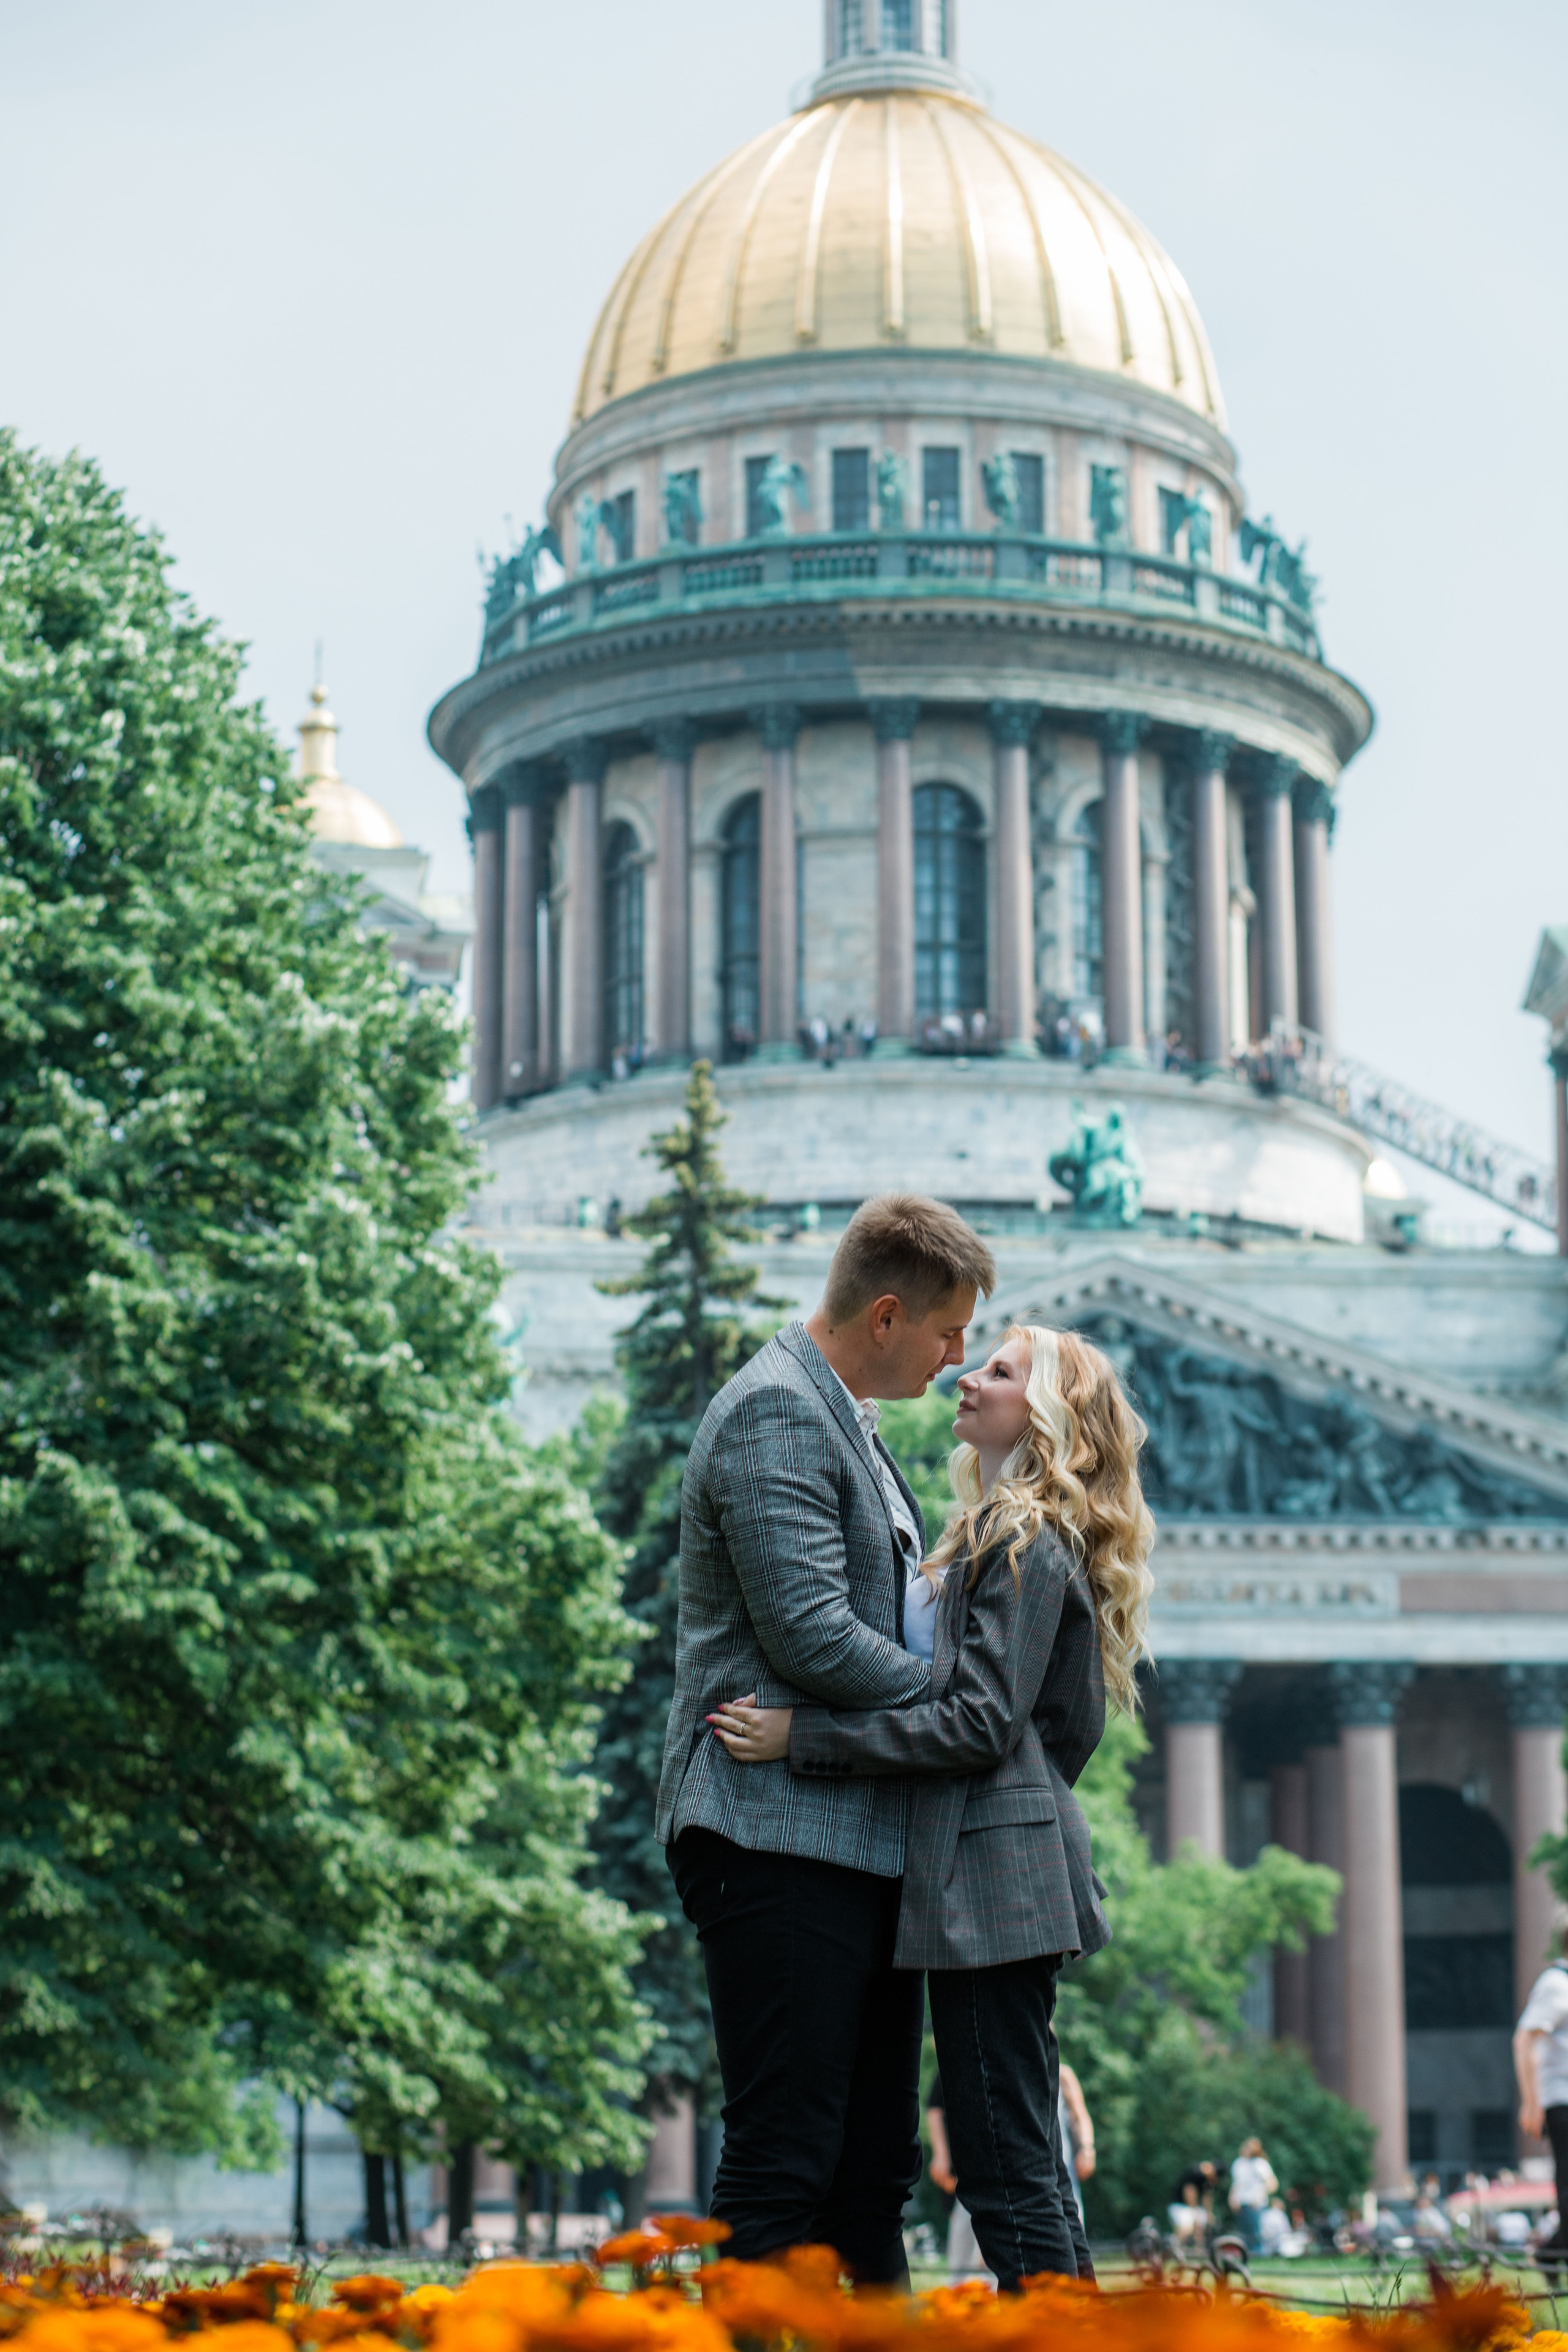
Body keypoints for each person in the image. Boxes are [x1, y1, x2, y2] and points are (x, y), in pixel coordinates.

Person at [712, 1323, 1155, 2290]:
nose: (966, 1374)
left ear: (1049, 1419)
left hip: (994, 1882)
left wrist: (808, 1739)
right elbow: (1050, 1729)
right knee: (1015, 2163)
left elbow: (990, 1724)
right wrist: (1017, 1786)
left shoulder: (1024, 1537)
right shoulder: (991, 1530)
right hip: (989, 1871)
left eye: (999, 1371)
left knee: (1005, 2168)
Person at [658, 1194, 997, 2283]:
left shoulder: (838, 1413)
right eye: (950, 1333)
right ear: (887, 1315)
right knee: (786, 2159)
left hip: (849, 1841)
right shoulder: (778, 1413)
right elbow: (811, 1635)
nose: (959, 1358)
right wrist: (963, 1709)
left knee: (871, 2168)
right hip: (774, 1839)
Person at [1515, 1940, 1568, 2266]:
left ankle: (1551, 2252)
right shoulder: (1555, 1984)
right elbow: (1524, 2040)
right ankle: (1552, 2252)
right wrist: (1531, 2103)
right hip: (1562, 2099)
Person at [1229, 2138, 1278, 2251]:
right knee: (1245, 2234)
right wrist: (1232, 2198)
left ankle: (1259, 2253)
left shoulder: (1260, 2164)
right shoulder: (1239, 2163)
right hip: (1241, 2203)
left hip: (1255, 2205)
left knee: (1256, 2234)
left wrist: (1259, 2198)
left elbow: (1272, 2184)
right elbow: (1236, 2184)